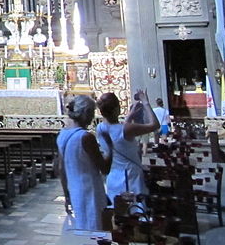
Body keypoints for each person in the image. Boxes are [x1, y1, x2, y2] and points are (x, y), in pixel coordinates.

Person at [96, 89, 159, 202]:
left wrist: (130, 115)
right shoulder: (127, 129)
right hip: (129, 176)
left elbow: (118, 131)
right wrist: (145, 102)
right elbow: (155, 125)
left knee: (118, 210)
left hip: (113, 174)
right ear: (117, 109)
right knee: (135, 210)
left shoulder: (100, 128)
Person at [56, 95, 108, 231]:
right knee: (95, 228)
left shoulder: (62, 135)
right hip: (90, 190)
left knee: (82, 229)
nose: (92, 118)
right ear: (86, 113)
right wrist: (111, 146)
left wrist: (66, 194)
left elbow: (61, 168)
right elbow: (104, 168)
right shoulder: (86, 137)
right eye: (91, 113)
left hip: (75, 189)